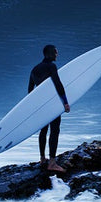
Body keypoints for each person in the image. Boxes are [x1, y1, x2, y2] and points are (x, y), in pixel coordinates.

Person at [29, 44, 70, 172]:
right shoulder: (51, 66)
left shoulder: (34, 69)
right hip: (51, 103)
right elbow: (58, 84)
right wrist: (65, 102)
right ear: (49, 53)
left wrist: (33, 106)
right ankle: (52, 162)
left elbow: (30, 90)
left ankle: (42, 158)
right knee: (55, 131)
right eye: (55, 52)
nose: (57, 55)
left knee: (43, 131)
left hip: (41, 105)